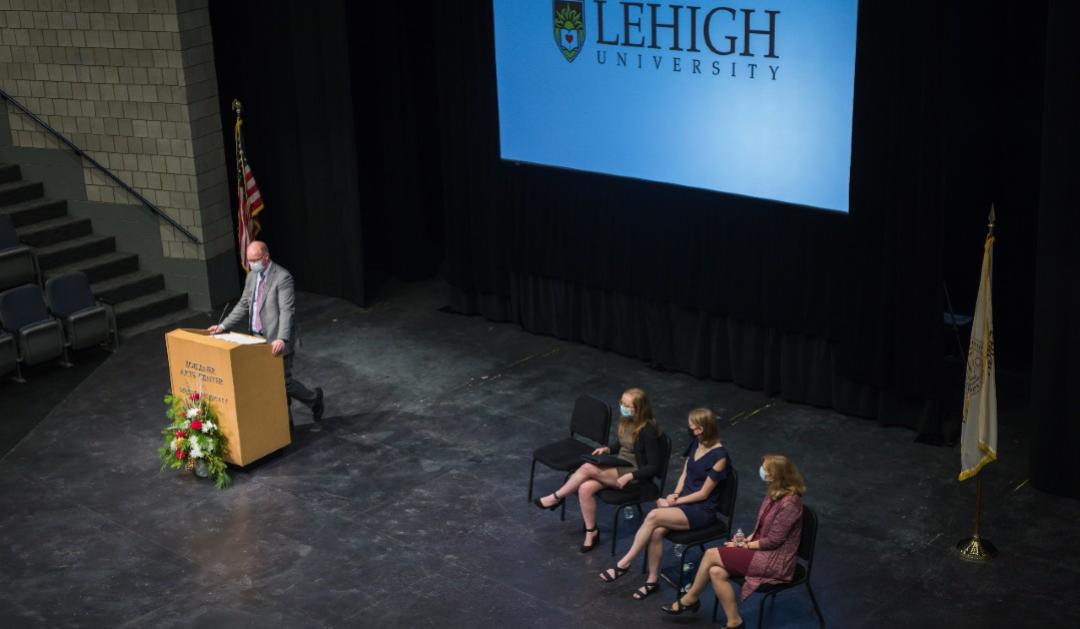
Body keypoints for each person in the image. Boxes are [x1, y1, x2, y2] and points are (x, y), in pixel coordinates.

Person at [661, 453, 806, 628]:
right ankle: (735, 622)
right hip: (762, 550)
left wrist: (743, 546)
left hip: (775, 560)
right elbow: (761, 528)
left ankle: (690, 598)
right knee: (715, 572)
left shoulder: (790, 503)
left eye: (766, 469)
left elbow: (773, 541)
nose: (762, 471)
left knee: (711, 554)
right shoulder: (774, 493)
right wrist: (746, 540)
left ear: (777, 475)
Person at [599, 408, 728, 601]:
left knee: (653, 516)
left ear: (701, 429)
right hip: (682, 501)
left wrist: (672, 502)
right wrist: (674, 495)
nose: (689, 428)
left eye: (692, 426)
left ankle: (624, 563)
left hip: (701, 510)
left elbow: (703, 494)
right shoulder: (697, 442)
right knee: (657, 531)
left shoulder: (720, 457)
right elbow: (686, 473)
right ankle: (652, 581)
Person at [533, 388, 662, 554]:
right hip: (620, 465)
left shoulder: (648, 430)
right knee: (585, 488)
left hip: (635, 475)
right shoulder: (627, 421)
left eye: (627, 405)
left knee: (587, 467)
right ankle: (591, 532)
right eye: (622, 403)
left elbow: (653, 467)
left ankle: (556, 497)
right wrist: (608, 450)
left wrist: (631, 475)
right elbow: (623, 443)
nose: (622, 407)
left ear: (639, 408)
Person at [208, 241, 324, 424]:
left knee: (283, 382)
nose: (251, 264)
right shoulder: (251, 277)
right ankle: (286, 423)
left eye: (255, 260)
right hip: (256, 339)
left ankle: (314, 398)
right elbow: (243, 304)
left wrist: (282, 338)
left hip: (277, 339)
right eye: (249, 260)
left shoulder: (282, 277)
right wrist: (223, 326)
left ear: (266, 257)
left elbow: (287, 311)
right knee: (269, 382)